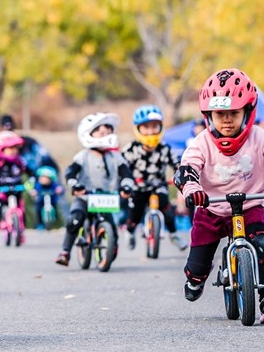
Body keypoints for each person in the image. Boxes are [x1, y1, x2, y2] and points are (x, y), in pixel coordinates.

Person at [173, 68, 264, 324]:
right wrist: (193, 190)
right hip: (211, 209)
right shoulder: (201, 142)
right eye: (220, 114)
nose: (226, 120)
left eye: (233, 113)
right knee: (198, 265)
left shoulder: (259, 137)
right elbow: (186, 170)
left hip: (250, 206)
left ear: (247, 112)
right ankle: (197, 278)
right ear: (209, 115)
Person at [55, 113, 134, 266]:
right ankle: (65, 252)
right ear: (89, 134)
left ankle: (109, 248)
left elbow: (127, 174)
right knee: (75, 219)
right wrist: (75, 185)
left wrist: (126, 186)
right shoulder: (83, 156)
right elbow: (70, 172)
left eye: (109, 132)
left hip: (106, 198)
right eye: (102, 133)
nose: (107, 136)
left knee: (111, 228)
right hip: (85, 197)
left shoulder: (116, 157)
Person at [121, 105, 186, 249]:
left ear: (161, 128)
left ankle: (174, 234)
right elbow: (123, 168)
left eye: (154, 127)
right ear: (138, 129)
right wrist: (126, 181)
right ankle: (130, 232)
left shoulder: (165, 148)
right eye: (146, 127)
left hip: (159, 185)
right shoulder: (131, 149)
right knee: (134, 213)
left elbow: (177, 164)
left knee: (168, 211)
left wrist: (180, 175)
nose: (151, 131)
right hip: (138, 186)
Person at [0, 130, 36, 243]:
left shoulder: (20, 162)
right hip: (3, 190)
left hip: (17, 189)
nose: (13, 151)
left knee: (21, 208)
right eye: (10, 148)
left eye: (15, 148)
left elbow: (31, 172)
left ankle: (21, 229)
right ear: (1, 149)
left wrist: (31, 182)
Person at [32, 165, 65, 230]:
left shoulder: (53, 185)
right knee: (37, 209)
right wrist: (34, 192)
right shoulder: (38, 185)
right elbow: (34, 190)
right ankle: (39, 223)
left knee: (56, 210)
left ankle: (58, 223)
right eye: (42, 177)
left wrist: (59, 190)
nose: (43, 179)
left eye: (46, 178)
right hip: (41, 201)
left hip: (52, 201)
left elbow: (59, 189)